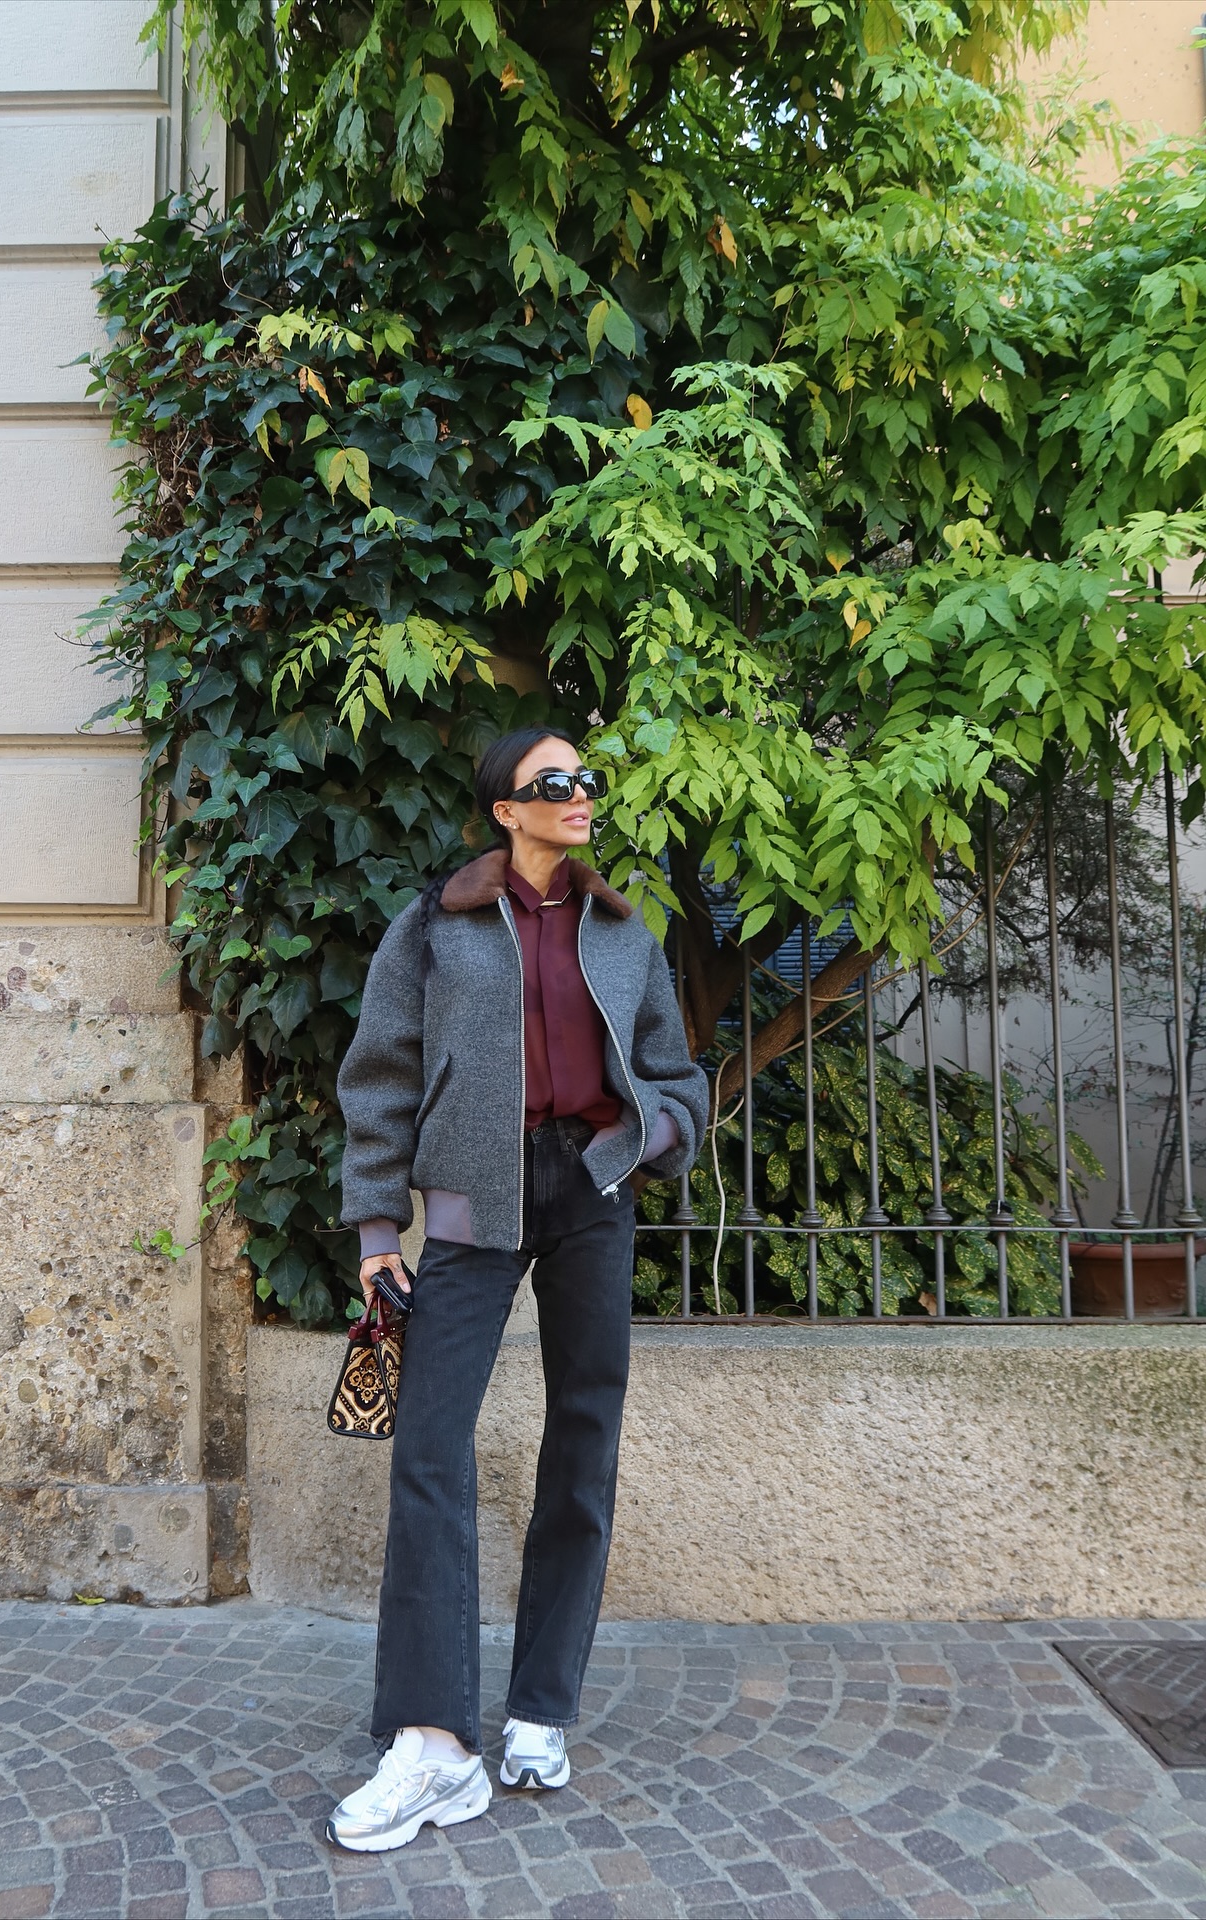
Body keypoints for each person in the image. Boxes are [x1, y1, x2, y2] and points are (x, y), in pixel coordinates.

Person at [325, 725, 709, 1853]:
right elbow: (380, 1074)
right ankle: (434, 1742)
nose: (581, 795)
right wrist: (377, 1224)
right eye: (556, 782)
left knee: (583, 1439)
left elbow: (677, 1073)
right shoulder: (434, 925)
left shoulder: (625, 932)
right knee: (429, 1449)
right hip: (471, 1203)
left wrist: (654, 1137)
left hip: (593, 1190)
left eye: (587, 780)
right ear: (506, 808)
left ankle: (541, 1708)